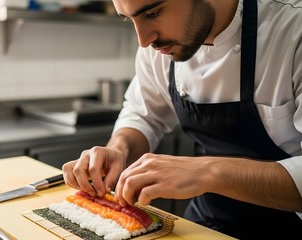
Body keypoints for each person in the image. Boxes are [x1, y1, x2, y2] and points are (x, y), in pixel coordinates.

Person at [62, 0, 302, 238]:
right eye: (129, 19)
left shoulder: (293, 31)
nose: (144, 40)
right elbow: (144, 116)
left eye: (153, 12)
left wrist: (207, 172)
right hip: (205, 225)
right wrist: (119, 149)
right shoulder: (160, 47)